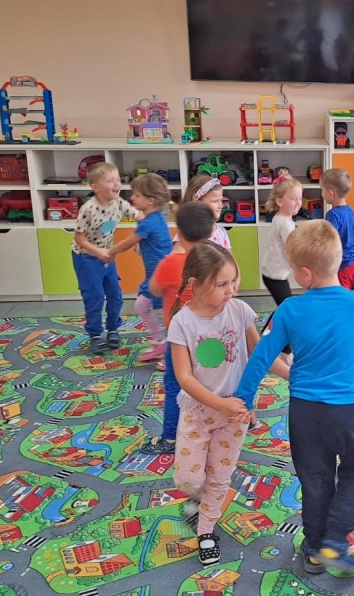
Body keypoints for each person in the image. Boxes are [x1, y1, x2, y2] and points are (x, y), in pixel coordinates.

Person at [231, 220, 354, 577]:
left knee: (315, 478)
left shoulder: (289, 310)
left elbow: (261, 357)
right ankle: (335, 540)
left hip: (305, 412)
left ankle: (313, 549)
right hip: (348, 408)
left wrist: (244, 398)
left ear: (305, 274)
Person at [167, 241, 289, 566]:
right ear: (195, 284)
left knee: (220, 476)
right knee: (189, 479)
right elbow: (184, 377)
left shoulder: (239, 311)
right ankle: (198, 498)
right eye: (222, 284)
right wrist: (218, 405)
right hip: (198, 412)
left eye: (233, 281)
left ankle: (206, 529)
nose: (231, 290)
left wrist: (293, 375)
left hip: (235, 413)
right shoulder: (182, 322)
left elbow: (260, 354)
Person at [139, 202, 216, 453]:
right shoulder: (217, 261)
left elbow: (153, 289)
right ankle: (224, 423)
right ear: (212, 231)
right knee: (215, 380)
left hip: (179, 338)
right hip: (212, 334)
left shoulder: (171, 262)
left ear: (179, 233)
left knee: (175, 384)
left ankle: (170, 438)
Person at [70, 163, 143, 354]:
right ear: (95, 187)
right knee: (94, 296)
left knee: (115, 294)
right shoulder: (88, 209)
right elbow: (79, 239)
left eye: (118, 179)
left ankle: (112, 329)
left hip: (108, 255)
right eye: (110, 180)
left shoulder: (120, 203)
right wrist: (98, 252)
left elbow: (141, 217)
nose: (117, 184)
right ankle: (95, 334)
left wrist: (141, 237)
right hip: (86, 257)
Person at [107, 174, 173, 363]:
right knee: (157, 308)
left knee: (154, 309)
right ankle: (163, 343)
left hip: (160, 276)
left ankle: (168, 348)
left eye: (136, 195)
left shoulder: (147, 222)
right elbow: (145, 239)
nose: (132, 198)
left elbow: (127, 242)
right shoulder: (156, 217)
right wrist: (140, 244)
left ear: (150, 200)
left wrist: (109, 252)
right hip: (159, 274)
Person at [259, 175, 303, 307]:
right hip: (275, 276)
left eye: (300, 198)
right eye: (293, 199)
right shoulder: (285, 224)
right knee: (287, 306)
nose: (298, 203)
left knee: (285, 305)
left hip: (272, 271)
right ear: (279, 201)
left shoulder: (280, 217)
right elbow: (293, 247)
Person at [320, 168, 354, 290]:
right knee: (351, 295)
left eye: (322, 190)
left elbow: (328, 241)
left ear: (331, 193)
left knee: (341, 296)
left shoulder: (333, 215)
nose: (322, 193)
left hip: (344, 264)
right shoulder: (349, 210)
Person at [178, 174, 231, 250]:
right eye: (215, 201)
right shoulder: (186, 236)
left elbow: (230, 257)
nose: (221, 206)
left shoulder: (221, 232)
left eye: (221, 200)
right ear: (197, 201)